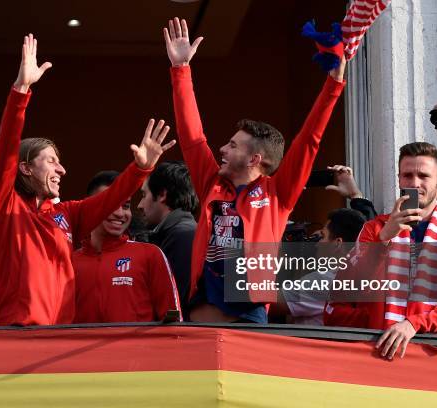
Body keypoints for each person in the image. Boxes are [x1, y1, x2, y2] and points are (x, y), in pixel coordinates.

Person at [0, 34, 175, 326]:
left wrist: (140, 168)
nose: (61, 170)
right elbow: (4, 154)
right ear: (24, 168)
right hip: (16, 337)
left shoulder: (67, 214)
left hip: (62, 340)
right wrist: (21, 91)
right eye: (51, 161)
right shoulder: (3, 209)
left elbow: (111, 198)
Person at [163, 18, 347, 323]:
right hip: (202, 312)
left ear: (254, 159)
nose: (222, 150)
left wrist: (333, 85)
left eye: (233, 146)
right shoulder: (212, 184)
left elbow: (309, 140)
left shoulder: (278, 194)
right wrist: (181, 70)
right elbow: (192, 137)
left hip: (249, 316)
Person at [325, 142, 437, 360]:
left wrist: (414, 323)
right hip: (379, 353)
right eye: (407, 175)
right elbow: (343, 293)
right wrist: (383, 240)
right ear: (398, 178)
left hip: (436, 357)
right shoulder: (375, 229)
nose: (414, 183)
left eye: (423, 176)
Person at [73, 171, 182, 323]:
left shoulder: (150, 254)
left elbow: (173, 321)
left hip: (138, 347)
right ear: (89, 205)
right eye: (111, 204)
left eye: (125, 206)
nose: (120, 213)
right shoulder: (69, 262)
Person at [275, 208, 365, 325]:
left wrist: (277, 250)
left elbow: (267, 302)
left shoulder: (324, 279)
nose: (317, 244)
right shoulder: (355, 275)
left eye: (322, 236)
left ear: (337, 243)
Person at [137, 161, 197, 312]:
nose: (139, 205)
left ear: (162, 194)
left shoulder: (184, 236)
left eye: (144, 195)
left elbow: (174, 306)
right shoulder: (177, 233)